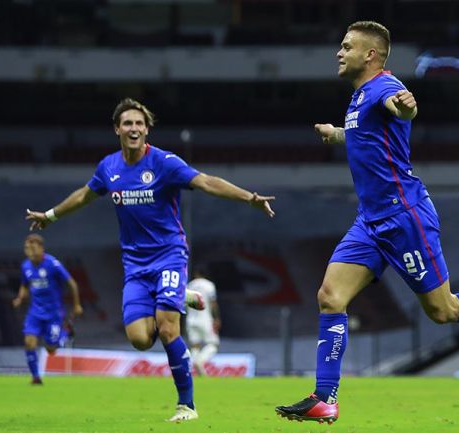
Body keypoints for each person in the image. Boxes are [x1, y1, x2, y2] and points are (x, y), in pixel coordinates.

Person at [275, 21, 459, 424]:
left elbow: (402, 106)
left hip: (404, 217)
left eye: (346, 46)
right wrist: (336, 134)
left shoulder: (384, 87)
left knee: (443, 311)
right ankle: (325, 397)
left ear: (370, 55)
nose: (339, 52)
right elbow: (368, 136)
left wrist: (407, 106)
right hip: (369, 221)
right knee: (329, 296)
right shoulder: (357, 99)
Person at [25, 98, 275, 422]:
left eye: (139, 124)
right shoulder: (108, 168)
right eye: (127, 123)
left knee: (168, 329)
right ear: (117, 129)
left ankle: (187, 405)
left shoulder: (164, 163)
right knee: (141, 340)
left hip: (169, 255)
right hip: (135, 266)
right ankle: (178, 295)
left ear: (147, 130)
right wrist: (51, 215)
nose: (134, 129)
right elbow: (84, 195)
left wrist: (249, 198)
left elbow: (205, 181)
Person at [12, 234, 83, 385]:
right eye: (27, 248)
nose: (29, 250)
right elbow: (25, 284)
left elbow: (72, 283)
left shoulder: (53, 264)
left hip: (54, 314)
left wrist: (77, 305)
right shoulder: (26, 266)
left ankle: (65, 334)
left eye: (33, 247)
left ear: (41, 248)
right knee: (29, 342)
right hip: (35, 313)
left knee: (51, 348)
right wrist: (20, 298)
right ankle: (36, 377)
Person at [185, 269, 221, 375]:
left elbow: (184, 303)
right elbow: (213, 303)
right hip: (205, 319)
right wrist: (217, 318)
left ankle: (194, 371)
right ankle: (199, 362)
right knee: (213, 344)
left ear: (196, 274)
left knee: (195, 345)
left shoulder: (189, 285)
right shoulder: (209, 285)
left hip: (191, 319)